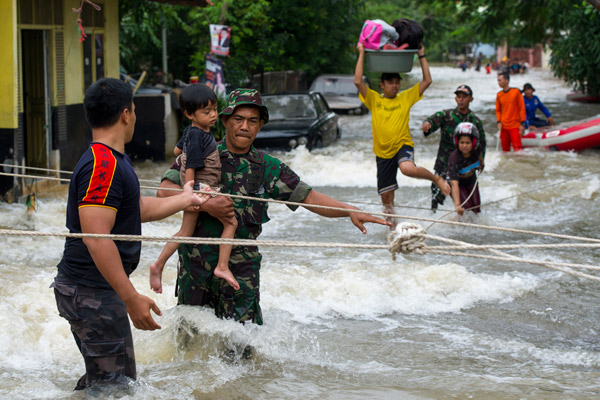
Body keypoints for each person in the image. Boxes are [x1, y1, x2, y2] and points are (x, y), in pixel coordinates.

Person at [156, 88, 391, 325]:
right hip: (196, 269)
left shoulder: (268, 168)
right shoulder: (203, 153)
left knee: (242, 348)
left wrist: (349, 210)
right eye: (238, 119)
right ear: (226, 120)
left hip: (241, 273)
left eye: (252, 121)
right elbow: (164, 191)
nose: (245, 127)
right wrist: (208, 206)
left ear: (260, 126)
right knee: (191, 346)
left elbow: (309, 198)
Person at [51, 78, 209, 390]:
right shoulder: (103, 165)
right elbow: (97, 238)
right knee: (114, 388)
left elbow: (136, 209)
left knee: (107, 382)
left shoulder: (112, 160)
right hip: (90, 292)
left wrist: (186, 199)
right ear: (126, 114)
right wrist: (131, 297)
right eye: (134, 110)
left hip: (94, 289)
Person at [150, 83, 239, 295]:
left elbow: (176, 150)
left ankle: (158, 265)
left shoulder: (191, 132)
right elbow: (190, 166)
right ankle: (222, 266)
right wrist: (189, 194)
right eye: (206, 112)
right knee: (231, 221)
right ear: (190, 114)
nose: (213, 115)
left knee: (185, 231)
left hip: (194, 189)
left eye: (215, 110)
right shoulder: (200, 137)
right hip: (200, 188)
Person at [353, 42, 450, 218]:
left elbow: (427, 81)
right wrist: (362, 53)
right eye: (391, 82)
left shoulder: (405, 97)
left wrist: (421, 55)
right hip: (382, 153)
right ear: (382, 84)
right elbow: (357, 81)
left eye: (397, 82)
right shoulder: (374, 99)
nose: (395, 86)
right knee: (387, 201)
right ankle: (392, 230)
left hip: (402, 145)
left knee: (407, 168)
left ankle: (436, 179)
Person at [422, 84, 486, 211]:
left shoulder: (475, 120)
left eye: (464, 97)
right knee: (437, 199)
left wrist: (481, 161)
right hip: (444, 165)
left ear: (471, 99)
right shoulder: (446, 115)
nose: (461, 99)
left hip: (465, 168)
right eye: (458, 97)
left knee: (471, 205)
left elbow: (482, 143)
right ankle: (435, 220)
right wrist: (427, 124)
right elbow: (432, 121)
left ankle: (464, 225)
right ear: (455, 99)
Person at [447, 122, 484, 216]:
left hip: (471, 180)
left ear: (474, 143)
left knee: (476, 209)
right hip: (458, 185)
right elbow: (454, 184)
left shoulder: (478, 149)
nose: (464, 146)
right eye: (462, 142)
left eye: (468, 143)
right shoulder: (454, 159)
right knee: (466, 209)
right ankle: (453, 224)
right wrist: (457, 205)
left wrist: (482, 164)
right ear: (457, 142)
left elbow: (480, 157)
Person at [496, 71, 526, 152]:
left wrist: (523, 124)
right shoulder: (499, 95)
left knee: (518, 150)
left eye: (500, 80)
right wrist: (498, 121)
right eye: (498, 80)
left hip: (515, 125)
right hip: (503, 126)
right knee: (505, 151)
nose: (498, 82)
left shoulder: (516, 92)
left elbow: (522, 108)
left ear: (506, 80)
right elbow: (498, 110)